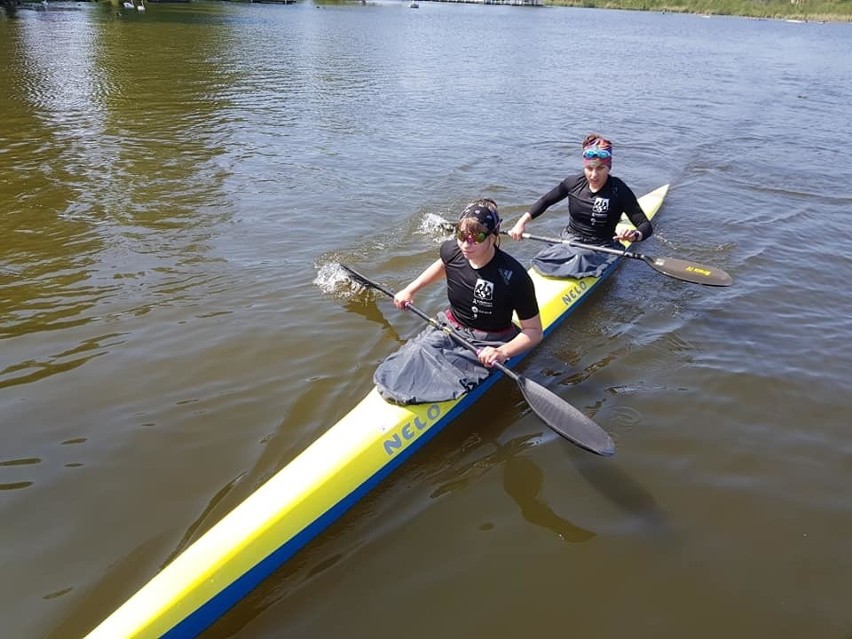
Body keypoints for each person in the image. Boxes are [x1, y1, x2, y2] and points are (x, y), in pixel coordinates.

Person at [373, 198, 542, 405]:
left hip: (490, 340)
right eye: (461, 235)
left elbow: (534, 332)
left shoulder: (514, 276)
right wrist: (410, 290)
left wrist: (501, 352)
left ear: (493, 236)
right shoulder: (452, 250)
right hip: (450, 325)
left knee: (443, 368)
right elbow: (444, 266)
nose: (465, 244)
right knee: (417, 353)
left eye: (476, 237)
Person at [508, 133, 653, 278]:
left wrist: (635, 235)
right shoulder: (573, 183)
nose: (594, 175)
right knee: (543, 258)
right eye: (589, 168)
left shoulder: (619, 190)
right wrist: (521, 223)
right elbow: (545, 201)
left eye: (600, 168)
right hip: (570, 239)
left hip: (601, 246)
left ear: (609, 167)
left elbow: (645, 225)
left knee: (580, 258)